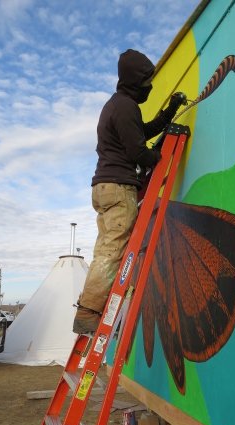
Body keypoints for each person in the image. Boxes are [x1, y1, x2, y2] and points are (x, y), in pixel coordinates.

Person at [73, 48, 185, 335]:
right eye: (146, 81)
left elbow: (140, 133)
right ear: (136, 81)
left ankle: (90, 306)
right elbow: (137, 149)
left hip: (103, 187)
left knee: (105, 248)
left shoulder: (117, 106)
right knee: (113, 251)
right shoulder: (124, 106)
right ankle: (89, 313)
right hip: (119, 186)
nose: (149, 87)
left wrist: (170, 111)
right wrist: (158, 158)